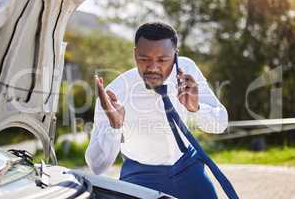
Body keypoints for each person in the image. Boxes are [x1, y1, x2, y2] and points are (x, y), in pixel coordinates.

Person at [85, 22, 237, 199]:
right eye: (144, 59)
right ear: (135, 54)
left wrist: (196, 108)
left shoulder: (187, 71)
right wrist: (115, 126)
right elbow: (96, 166)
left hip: (187, 167)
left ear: (175, 55)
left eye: (162, 60)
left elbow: (220, 124)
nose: (153, 67)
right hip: (139, 176)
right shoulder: (114, 94)